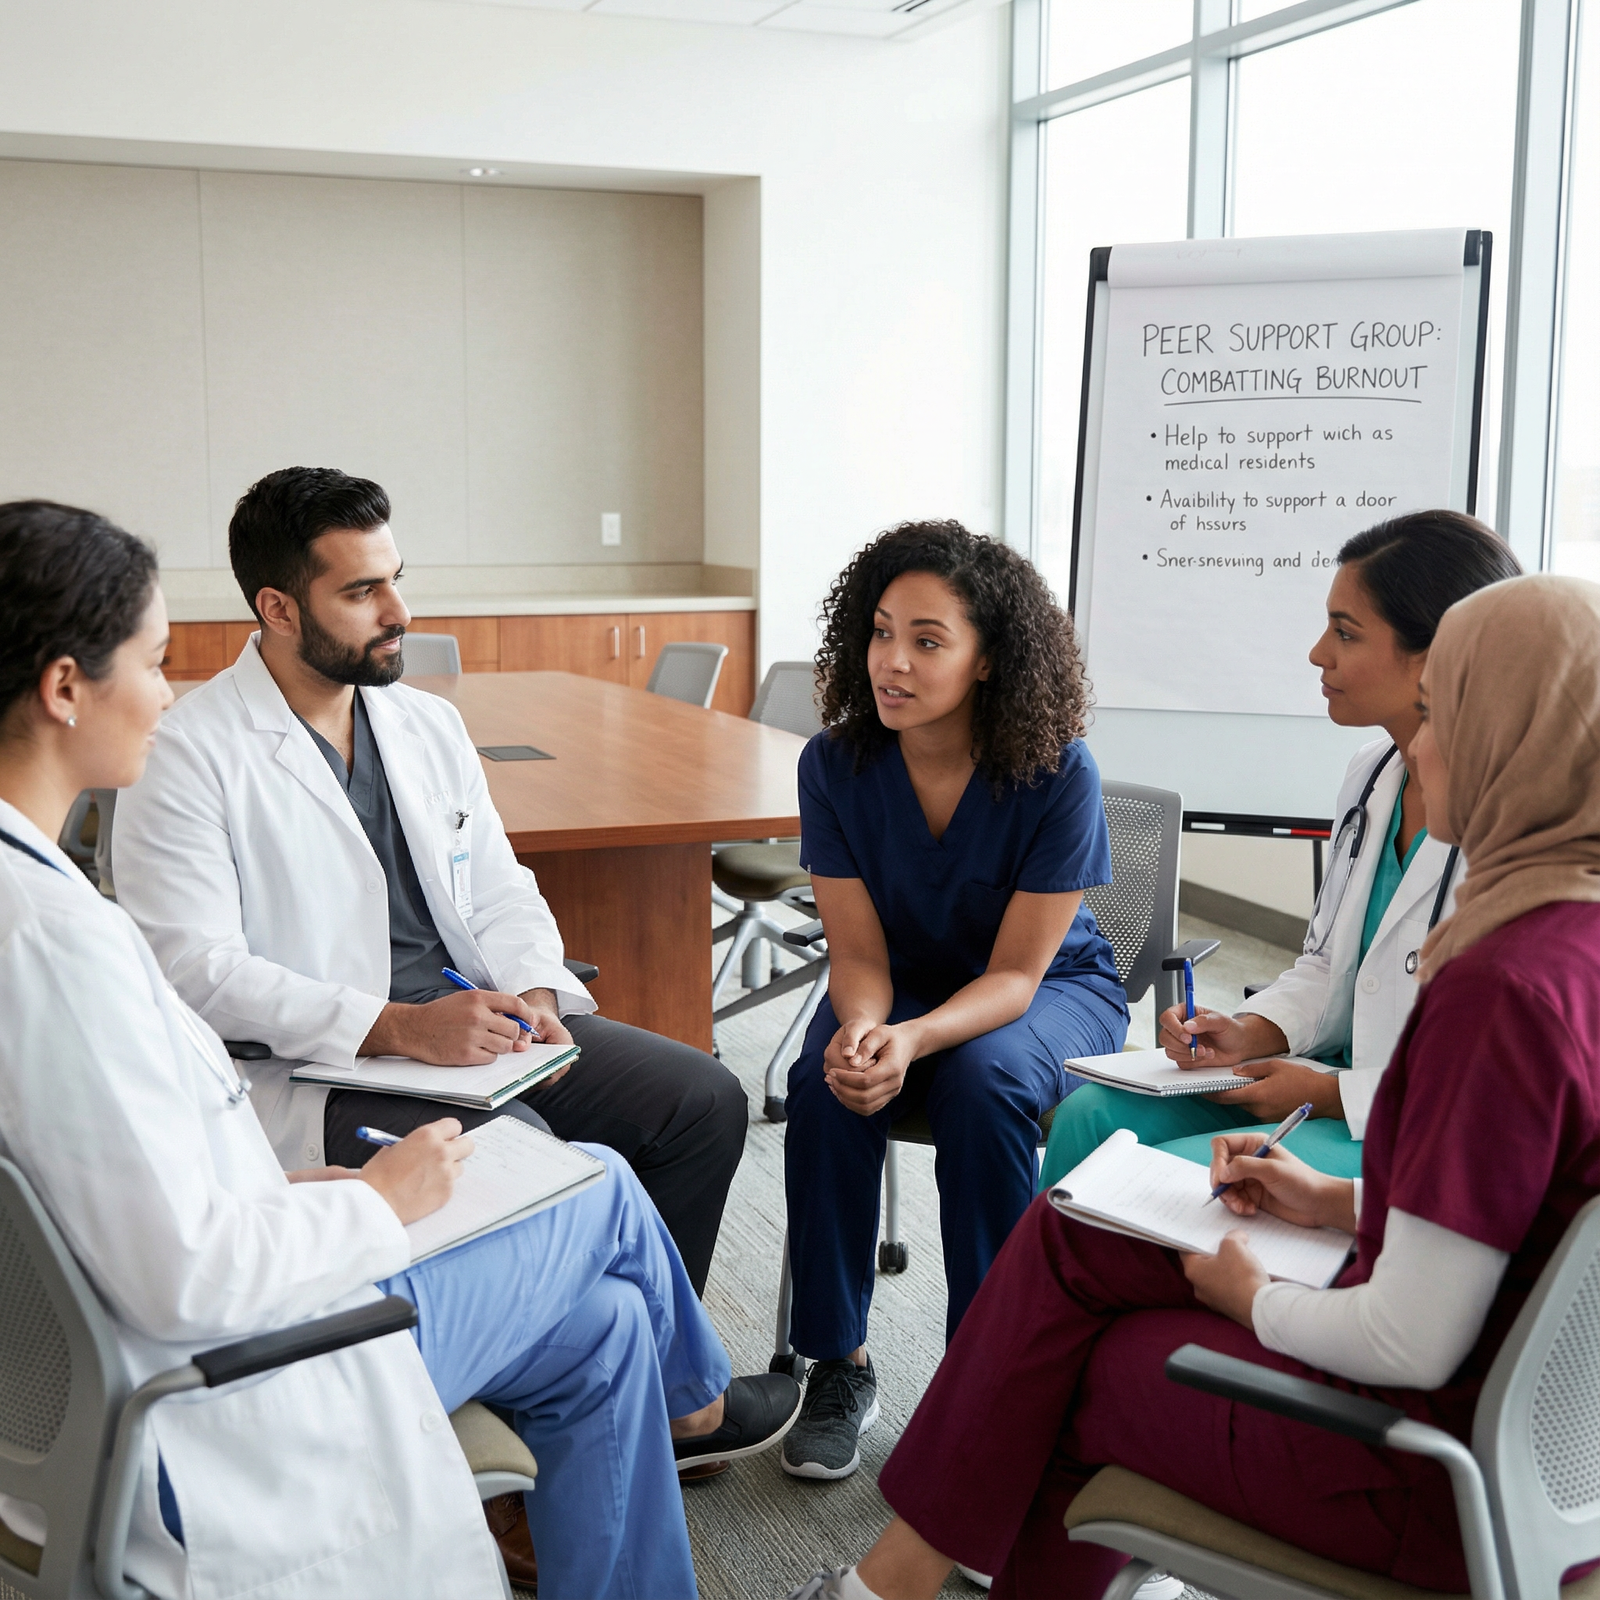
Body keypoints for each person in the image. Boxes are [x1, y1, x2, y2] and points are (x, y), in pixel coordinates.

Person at [0, 501, 800, 1600]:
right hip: (222, 1380)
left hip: (261, 1229)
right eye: (148, 658)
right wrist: (376, 1198)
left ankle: (651, 1419)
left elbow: (500, 886)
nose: (163, 685)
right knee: (593, 1183)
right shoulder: (80, 912)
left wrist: (533, 990)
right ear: (61, 687)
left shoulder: (38, 899)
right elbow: (186, 1252)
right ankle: (695, 1404)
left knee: (624, 1278)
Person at [784, 571, 1600, 1600]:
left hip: (1421, 1472)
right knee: (1080, 1235)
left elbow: (1407, 1335)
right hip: (1526, 1445)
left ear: (1514, 735)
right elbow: (1520, 1213)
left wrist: (1251, 1298)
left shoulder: (1501, 987)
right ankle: (899, 1564)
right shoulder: (1563, 941)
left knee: (1059, 1365)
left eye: (1437, 714)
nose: (1415, 746)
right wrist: (1335, 1198)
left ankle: (889, 1578)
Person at [113, 467, 746, 1301]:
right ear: (278, 609)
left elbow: (497, 886)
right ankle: (597, 1392)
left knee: (701, 1100)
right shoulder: (189, 752)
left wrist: (539, 994)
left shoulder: (425, 723)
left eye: (397, 581)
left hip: (478, 1031)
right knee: (525, 1164)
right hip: (327, 1066)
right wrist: (400, 1025)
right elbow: (195, 970)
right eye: (363, 591)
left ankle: (659, 1373)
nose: (399, 613)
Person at [780, 522, 1130, 1482]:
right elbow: (855, 951)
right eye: (882, 632)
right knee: (825, 1082)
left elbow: (1019, 976)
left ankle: (989, 1379)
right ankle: (838, 1365)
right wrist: (863, 1028)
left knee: (980, 1084)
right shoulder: (836, 765)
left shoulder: (1059, 770)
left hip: (1051, 990)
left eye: (928, 641)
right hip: (900, 986)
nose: (893, 662)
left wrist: (916, 1036)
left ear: (986, 661)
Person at [1040, 510, 1521, 1187]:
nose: (1318, 653)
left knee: (1157, 1180)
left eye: (1345, 632)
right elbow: (1328, 965)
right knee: (1090, 1115)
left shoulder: (1518, 817)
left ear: (1436, 652)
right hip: (1334, 1080)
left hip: (1418, 1126)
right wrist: (1249, 1030)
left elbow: (1499, 1071)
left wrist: (1328, 1094)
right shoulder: (1372, 772)